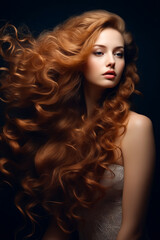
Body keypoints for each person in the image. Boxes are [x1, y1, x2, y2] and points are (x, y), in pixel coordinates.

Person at [0, 10, 155, 240]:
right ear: (79, 59)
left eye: (119, 54)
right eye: (99, 52)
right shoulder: (69, 132)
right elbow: (61, 226)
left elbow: (132, 231)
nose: (111, 61)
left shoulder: (136, 127)